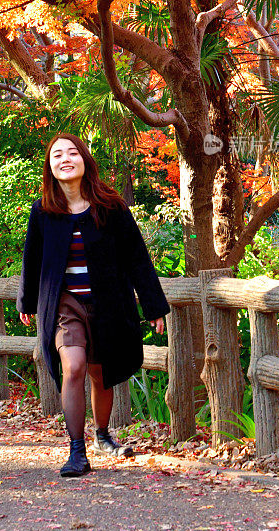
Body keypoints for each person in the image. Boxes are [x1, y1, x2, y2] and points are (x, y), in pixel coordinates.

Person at [17, 133, 170, 478]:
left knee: (101, 373)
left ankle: (102, 434)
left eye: (72, 152)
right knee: (73, 366)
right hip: (64, 304)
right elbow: (32, 257)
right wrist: (26, 300)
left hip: (107, 301)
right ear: (50, 167)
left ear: (85, 160)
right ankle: (76, 451)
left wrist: (153, 305)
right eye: (57, 155)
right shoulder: (43, 210)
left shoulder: (110, 205)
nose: (65, 159)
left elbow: (136, 256)